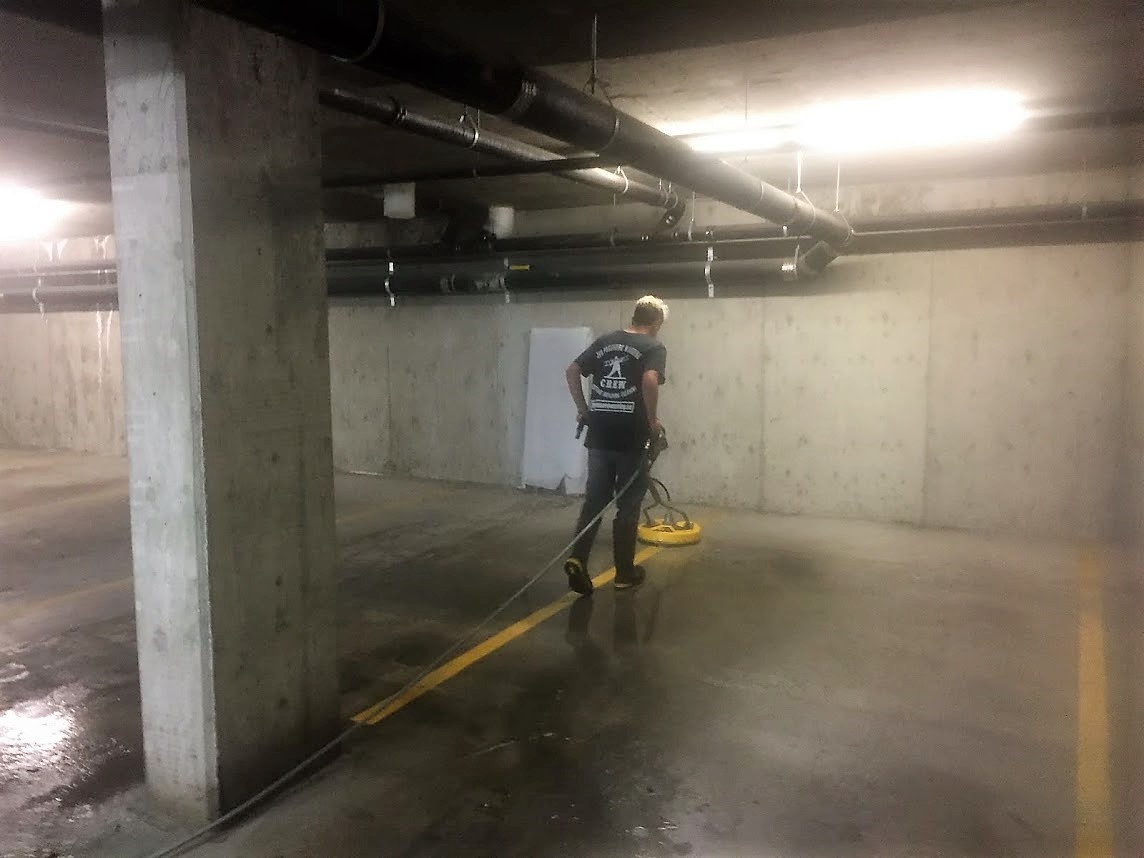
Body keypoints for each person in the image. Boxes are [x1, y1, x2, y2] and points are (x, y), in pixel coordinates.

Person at [563, 295, 669, 595]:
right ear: (656, 322)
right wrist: (653, 421)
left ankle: (577, 558)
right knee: (628, 505)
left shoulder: (605, 341)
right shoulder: (653, 347)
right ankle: (624, 574)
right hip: (630, 437)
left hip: (599, 434)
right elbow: (649, 380)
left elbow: (571, 370)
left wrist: (584, 410)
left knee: (594, 501)